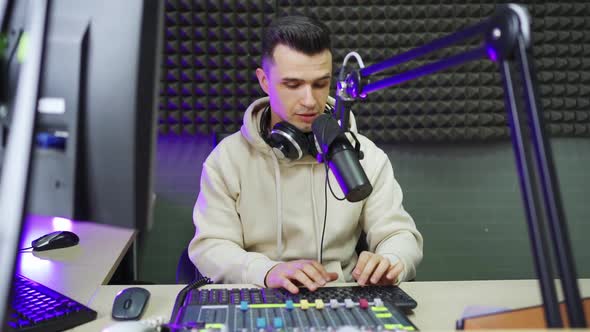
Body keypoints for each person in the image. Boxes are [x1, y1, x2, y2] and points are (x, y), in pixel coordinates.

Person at [189, 15, 423, 294]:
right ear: (264, 80)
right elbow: (211, 246)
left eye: (320, 84)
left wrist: (391, 261)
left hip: (343, 298)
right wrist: (267, 271)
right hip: (258, 294)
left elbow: (399, 235)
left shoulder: (364, 156)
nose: (310, 100)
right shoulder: (226, 160)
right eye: (293, 85)